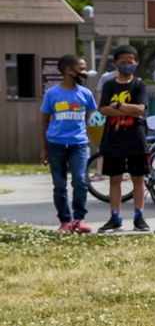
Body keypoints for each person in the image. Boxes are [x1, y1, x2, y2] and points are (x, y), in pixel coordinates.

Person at [40, 54, 98, 232]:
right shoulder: (52, 94)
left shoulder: (86, 93)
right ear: (68, 70)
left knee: (80, 181)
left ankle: (79, 219)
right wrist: (44, 150)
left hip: (78, 144)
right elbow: (44, 123)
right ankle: (65, 221)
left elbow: (88, 117)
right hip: (56, 144)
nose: (85, 72)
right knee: (60, 184)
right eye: (81, 69)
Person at [96, 44, 150, 233]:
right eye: (122, 62)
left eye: (130, 62)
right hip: (113, 138)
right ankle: (115, 216)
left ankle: (139, 216)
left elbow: (140, 109)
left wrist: (118, 105)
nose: (126, 65)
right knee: (115, 179)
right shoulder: (109, 84)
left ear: (136, 63)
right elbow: (103, 109)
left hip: (136, 138)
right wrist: (129, 109)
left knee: (138, 178)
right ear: (115, 64)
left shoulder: (140, 85)